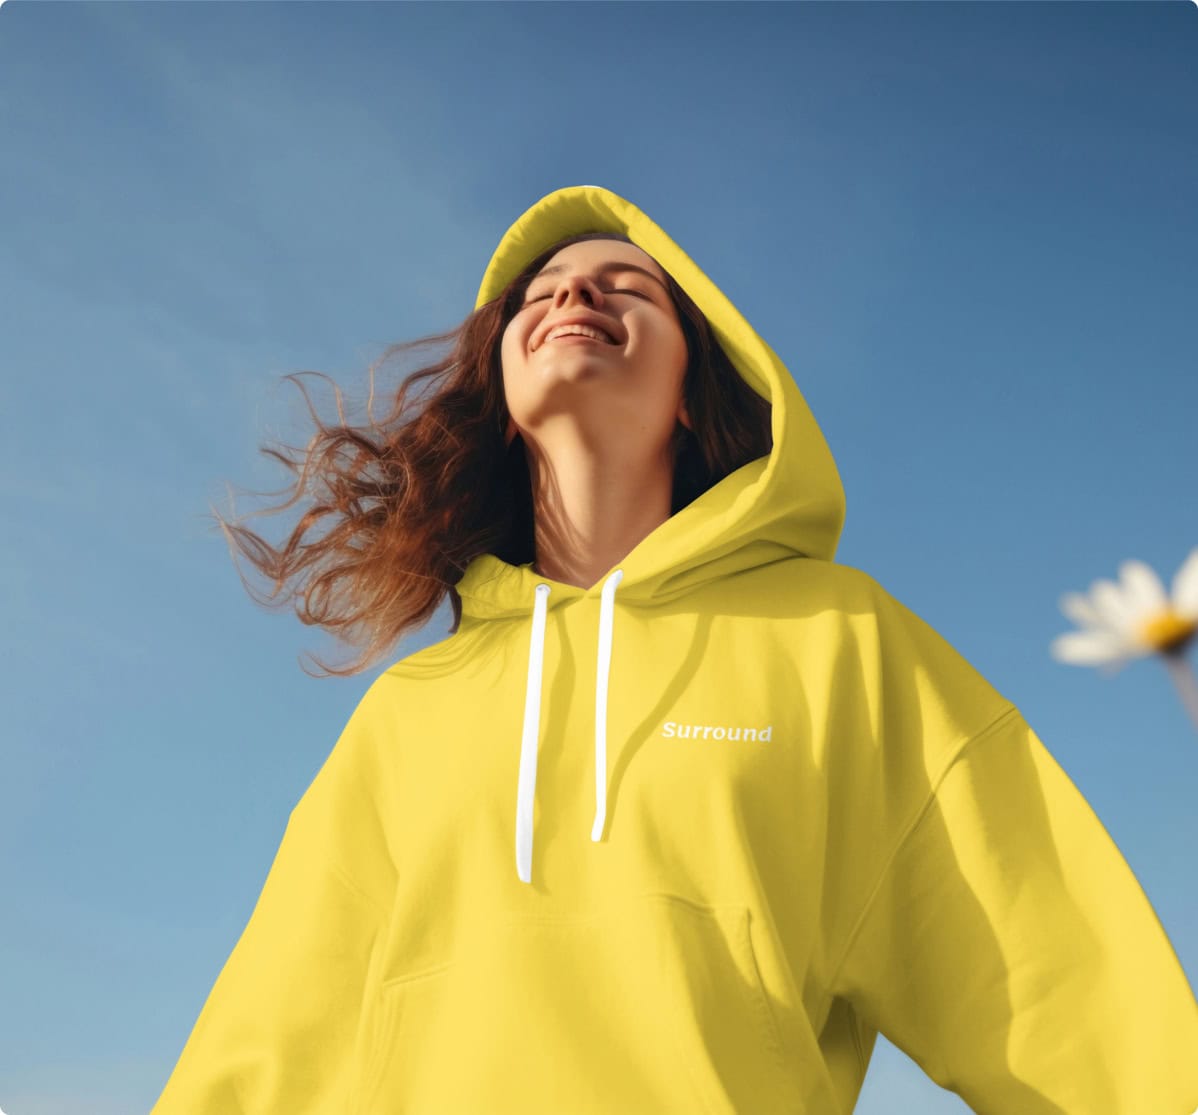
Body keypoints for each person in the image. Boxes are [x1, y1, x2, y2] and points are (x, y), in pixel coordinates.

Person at [149, 184, 1198, 1115]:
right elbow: (270, 1045)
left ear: (695, 386)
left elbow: (1065, 988)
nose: (572, 297)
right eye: (538, 292)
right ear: (503, 402)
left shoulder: (840, 641)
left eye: (626, 288)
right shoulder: (411, 705)